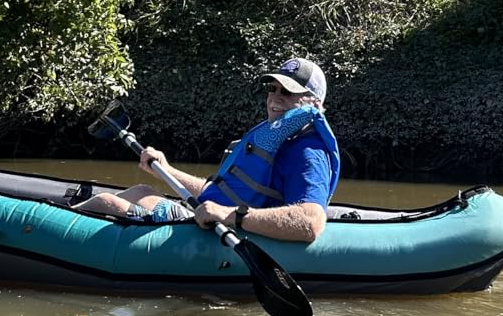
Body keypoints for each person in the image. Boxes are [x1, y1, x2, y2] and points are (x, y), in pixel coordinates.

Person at [77, 57, 341, 243]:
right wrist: (167, 171)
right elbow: (220, 193)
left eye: (289, 92)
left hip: (233, 231)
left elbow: (311, 223)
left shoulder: (309, 153)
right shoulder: (276, 137)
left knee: (106, 203)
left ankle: (47, 226)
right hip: (214, 219)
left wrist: (229, 216)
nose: (276, 97)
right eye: (273, 89)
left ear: (313, 103)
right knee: (141, 191)